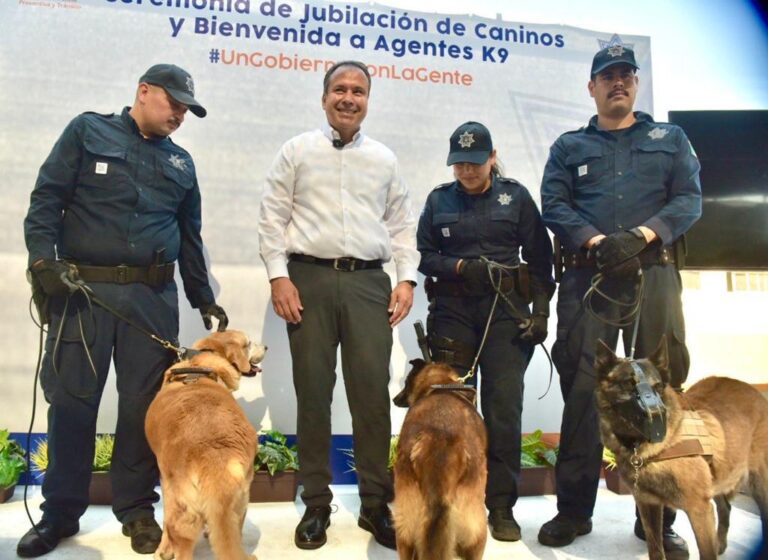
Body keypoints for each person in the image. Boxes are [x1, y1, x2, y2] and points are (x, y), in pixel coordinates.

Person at [20, 64, 228, 558]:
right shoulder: (87, 131)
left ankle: (136, 509)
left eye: (186, 108)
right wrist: (42, 261)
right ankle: (60, 514)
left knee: (143, 408)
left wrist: (202, 296)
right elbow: (46, 199)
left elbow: (189, 238)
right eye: (173, 102)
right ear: (143, 91)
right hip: (83, 293)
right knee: (72, 402)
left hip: (151, 300)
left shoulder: (182, 164)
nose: (179, 113)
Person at [537, 45, 702, 558]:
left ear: (635, 84)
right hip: (590, 279)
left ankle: (657, 517)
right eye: (606, 77)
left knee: (659, 393)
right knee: (585, 393)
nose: (617, 83)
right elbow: (554, 204)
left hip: (653, 274)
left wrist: (643, 235)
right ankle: (573, 511)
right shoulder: (569, 146)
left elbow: (689, 199)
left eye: (625, 75)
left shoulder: (669, 139)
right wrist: (595, 241)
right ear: (592, 87)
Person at [257, 60, 419, 551]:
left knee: (371, 395)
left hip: (369, 282)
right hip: (307, 280)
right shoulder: (296, 151)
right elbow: (271, 219)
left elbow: (401, 225)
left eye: (358, 91)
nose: (349, 98)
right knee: (313, 393)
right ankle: (316, 504)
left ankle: (374, 504)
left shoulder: (385, 159)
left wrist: (406, 280)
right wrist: (279, 277)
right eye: (340, 89)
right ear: (324, 96)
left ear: (368, 100)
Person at [417, 121, 555, 542]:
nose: (467, 171)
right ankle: (448, 498)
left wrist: (542, 313)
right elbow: (423, 255)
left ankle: (500, 506)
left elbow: (540, 259)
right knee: (449, 410)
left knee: (503, 410)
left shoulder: (516, 197)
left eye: (475, 163)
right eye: (459, 163)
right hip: (453, 312)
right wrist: (459, 267)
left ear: (492, 157)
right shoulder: (438, 200)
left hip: (506, 312)